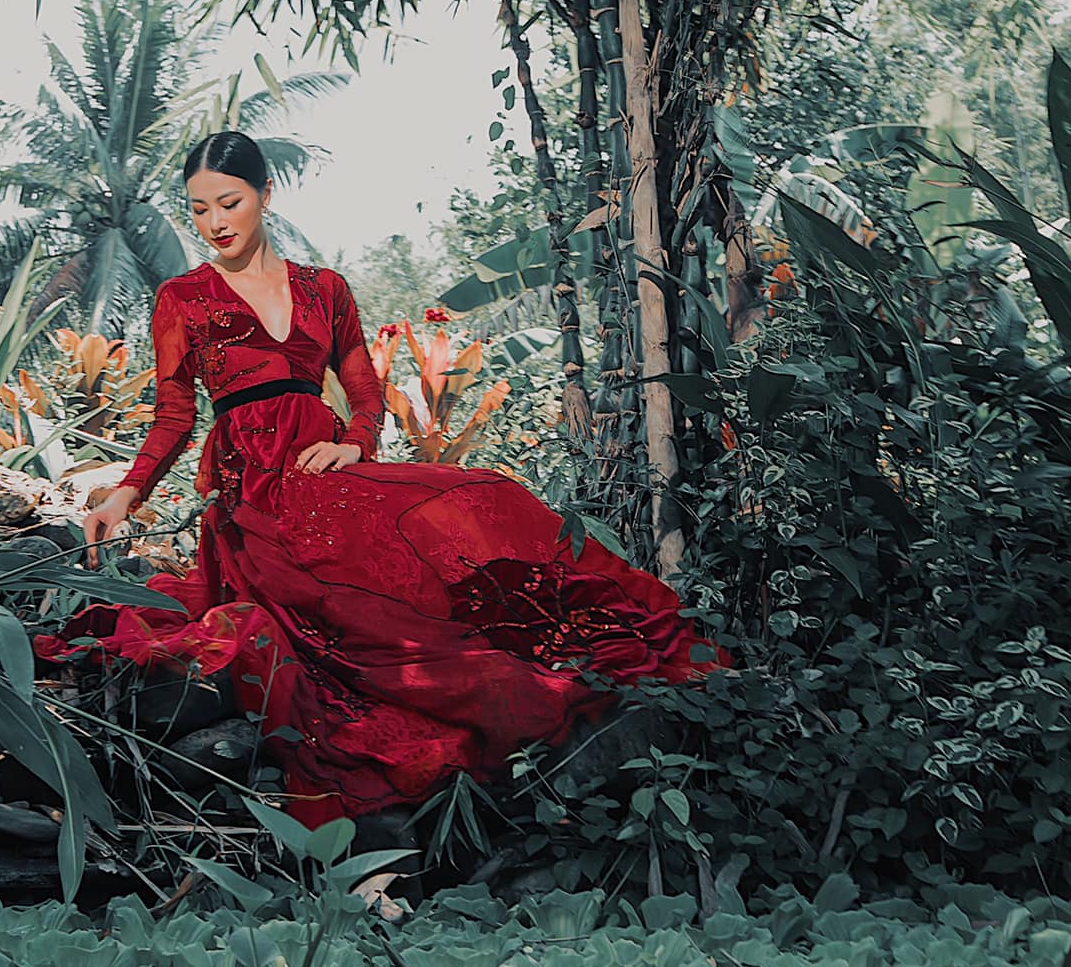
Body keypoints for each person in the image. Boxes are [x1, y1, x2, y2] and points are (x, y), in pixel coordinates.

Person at [35, 130, 724, 827]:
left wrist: (355, 445)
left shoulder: (324, 289)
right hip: (254, 493)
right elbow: (175, 416)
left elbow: (365, 394)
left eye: (229, 203)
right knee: (359, 615)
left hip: (326, 469)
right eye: (199, 209)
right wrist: (126, 495)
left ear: (265, 195)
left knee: (488, 498)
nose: (215, 222)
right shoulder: (183, 298)